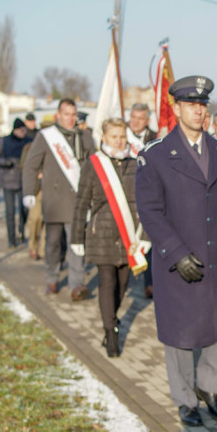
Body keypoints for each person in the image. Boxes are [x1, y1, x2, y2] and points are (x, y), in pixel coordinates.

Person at [135, 75, 217, 427]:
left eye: (203, 104)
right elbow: (150, 211)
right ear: (176, 108)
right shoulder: (154, 156)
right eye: (191, 104)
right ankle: (186, 399)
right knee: (181, 335)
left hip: (216, 258)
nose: (198, 111)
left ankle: (211, 389)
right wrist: (175, 252)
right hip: (177, 260)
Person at [71, 118, 148, 358]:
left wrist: (145, 235)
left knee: (123, 283)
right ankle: (111, 331)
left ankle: (111, 318)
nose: (119, 141)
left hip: (129, 236)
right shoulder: (93, 164)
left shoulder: (136, 164)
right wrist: (76, 238)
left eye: (122, 136)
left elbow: (147, 202)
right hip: (101, 233)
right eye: (114, 136)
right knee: (107, 281)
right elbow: (81, 203)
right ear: (103, 138)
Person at [22, 98, 95, 299]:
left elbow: (95, 167)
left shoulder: (86, 137)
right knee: (53, 244)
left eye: (73, 115)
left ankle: (76, 284)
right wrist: (29, 191)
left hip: (78, 200)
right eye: (66, 114)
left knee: (77, 243)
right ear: (58, 115)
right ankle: (52, 278)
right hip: (54, 201)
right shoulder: (46, 137)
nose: (71, 119)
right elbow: (31, 165)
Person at [127, 102, 157, 300]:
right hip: (125, 194)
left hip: (147, 192)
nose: (135, 122)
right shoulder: (122, 136)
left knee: (149, 241)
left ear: (147, 121)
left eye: (140, 118)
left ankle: (150, 283)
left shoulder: (156, 138)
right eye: (133, 117)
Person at [0, 118, 32, 248]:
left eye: (24, 130)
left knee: (23, 210)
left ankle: (21, 230)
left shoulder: (28, 142)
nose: (23, 132)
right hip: (8, 180)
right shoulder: (4, 141)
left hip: (23, 181)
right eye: (21, 130)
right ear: (15, 130)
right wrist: (5, 163)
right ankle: (11, 239)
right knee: (10, 212)